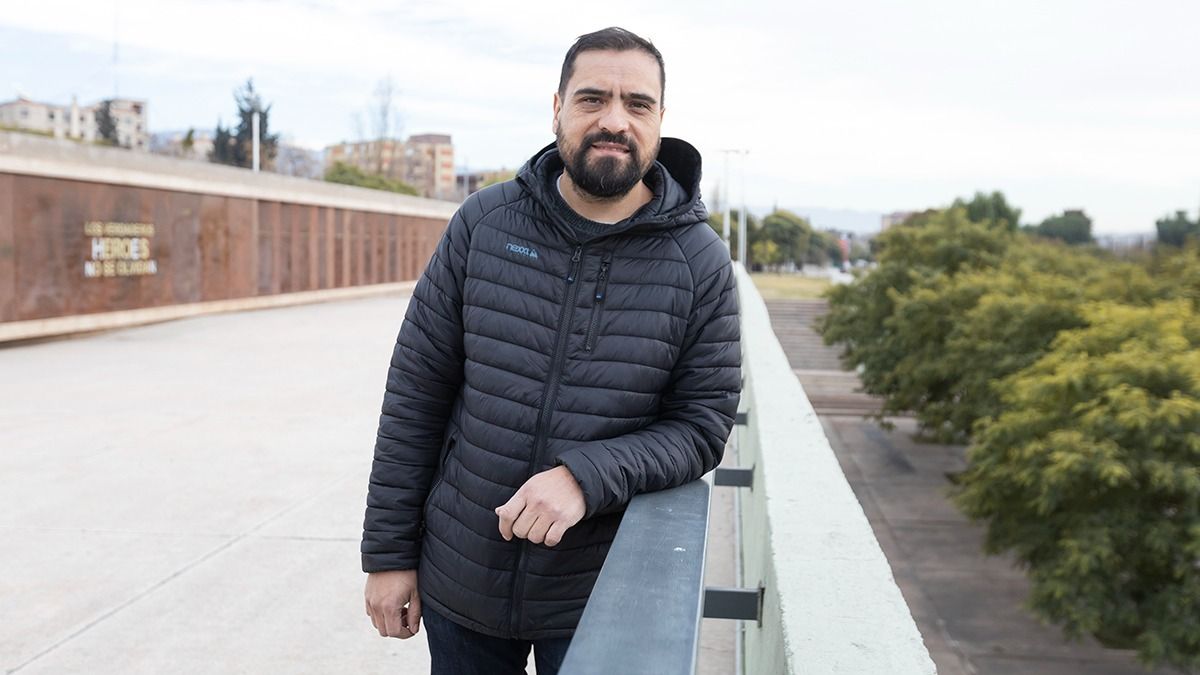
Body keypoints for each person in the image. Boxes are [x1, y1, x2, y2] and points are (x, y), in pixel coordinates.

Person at [362, 26, 741, 675]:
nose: (613, 120)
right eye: (592, 98)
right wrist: (389, 554)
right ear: (558, 106)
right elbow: (415, 395)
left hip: (599, 594)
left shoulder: (699, 261)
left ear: (659, 120)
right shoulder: (484, 224)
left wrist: (585, 477)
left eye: (636, 104)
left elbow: (702, 427)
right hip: (463, 581)